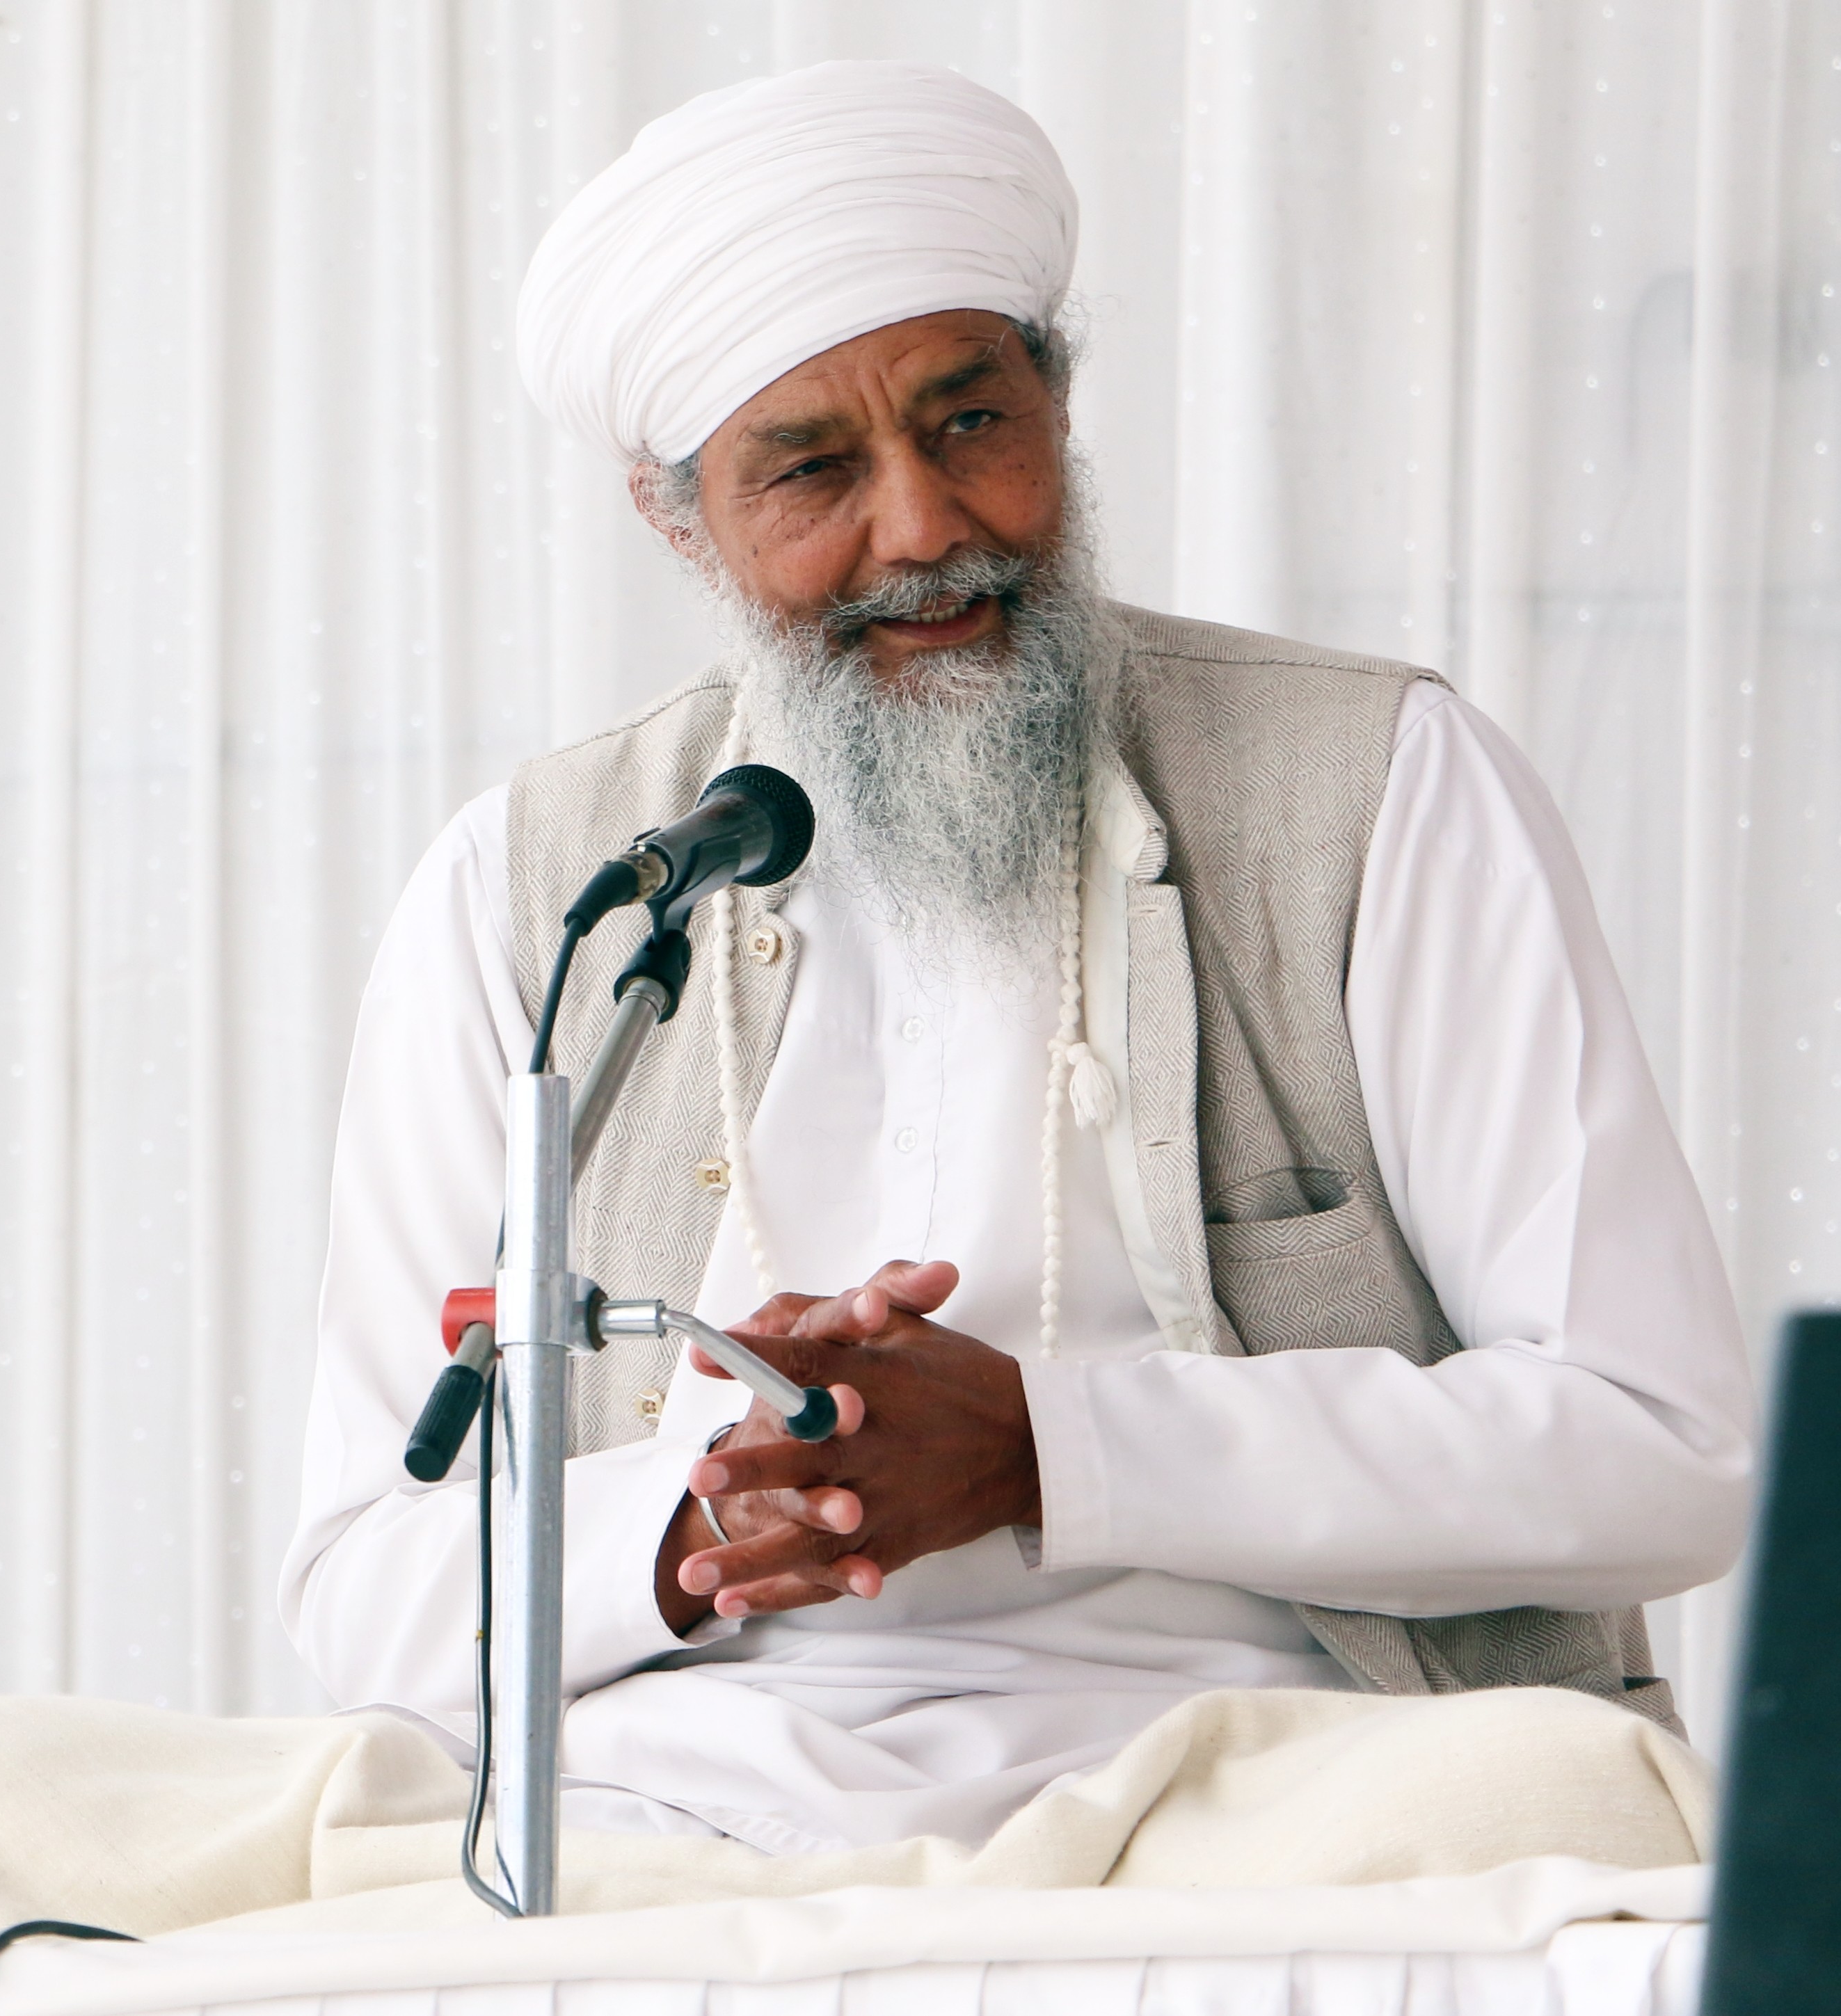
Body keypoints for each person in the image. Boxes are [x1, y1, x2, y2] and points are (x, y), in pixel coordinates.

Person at [276, 57, 1755, 1857]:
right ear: (681, 519)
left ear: (1058, 399)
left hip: (1287, 1786)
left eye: (971, 420)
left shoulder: (1371, 786)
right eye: (813, 469)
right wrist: (716, 1507)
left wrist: (1050, 1446)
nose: (923, 528)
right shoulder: (543, 892)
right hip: (680, 1809)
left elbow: (1661, 1447)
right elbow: (365, 1586)